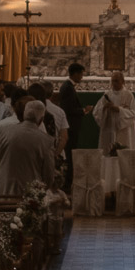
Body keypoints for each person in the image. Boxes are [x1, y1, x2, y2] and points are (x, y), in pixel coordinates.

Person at [0, 100, 54, 196]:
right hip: (29, 193)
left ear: (24, 114)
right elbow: (48, 176)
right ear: (41, 119)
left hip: (1, 189)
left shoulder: (4, 132)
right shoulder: (46, 141)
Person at [59, 61, 88, 192]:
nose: (82, 77)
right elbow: (68, 109)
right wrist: (83, 111)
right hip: (70, 127)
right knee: (70, 155)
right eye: (81, 74)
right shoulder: (67, 88)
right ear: (75, 73)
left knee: (71, 155)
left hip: (72, 126)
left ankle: (68, 183)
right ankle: (67, 185)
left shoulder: (68, 87)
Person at [93, 72, 135, 152]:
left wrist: (119, 110)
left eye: (116, 81)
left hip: (124, 130)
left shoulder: (128, 95)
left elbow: (133, 113)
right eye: (113, 81)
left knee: (123, 153)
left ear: (123, 81)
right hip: (109, 128)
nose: (114, 83)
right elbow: (96, 112)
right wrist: (104, 108)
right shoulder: (107, 95)